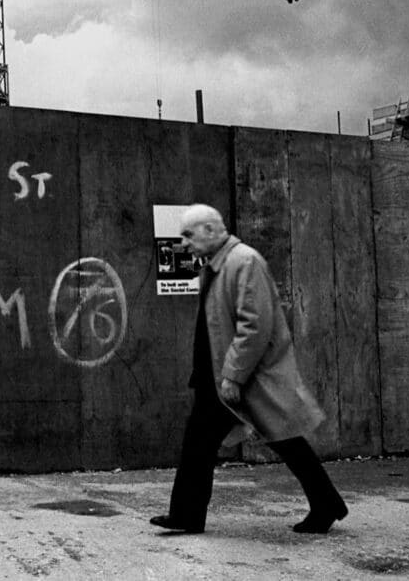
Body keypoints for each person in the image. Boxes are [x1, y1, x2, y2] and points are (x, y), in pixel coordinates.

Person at [149, 204, 347, 535]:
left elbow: (254, 326)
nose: (183, 243)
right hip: (217, 376)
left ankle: (326, 503)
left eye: (188, 234)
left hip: (243, 377)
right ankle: (186, 514)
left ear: (211, 231)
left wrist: (233, 375)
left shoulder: (244, 261)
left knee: (286, 440)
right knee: (202, 442)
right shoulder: (218, 264)